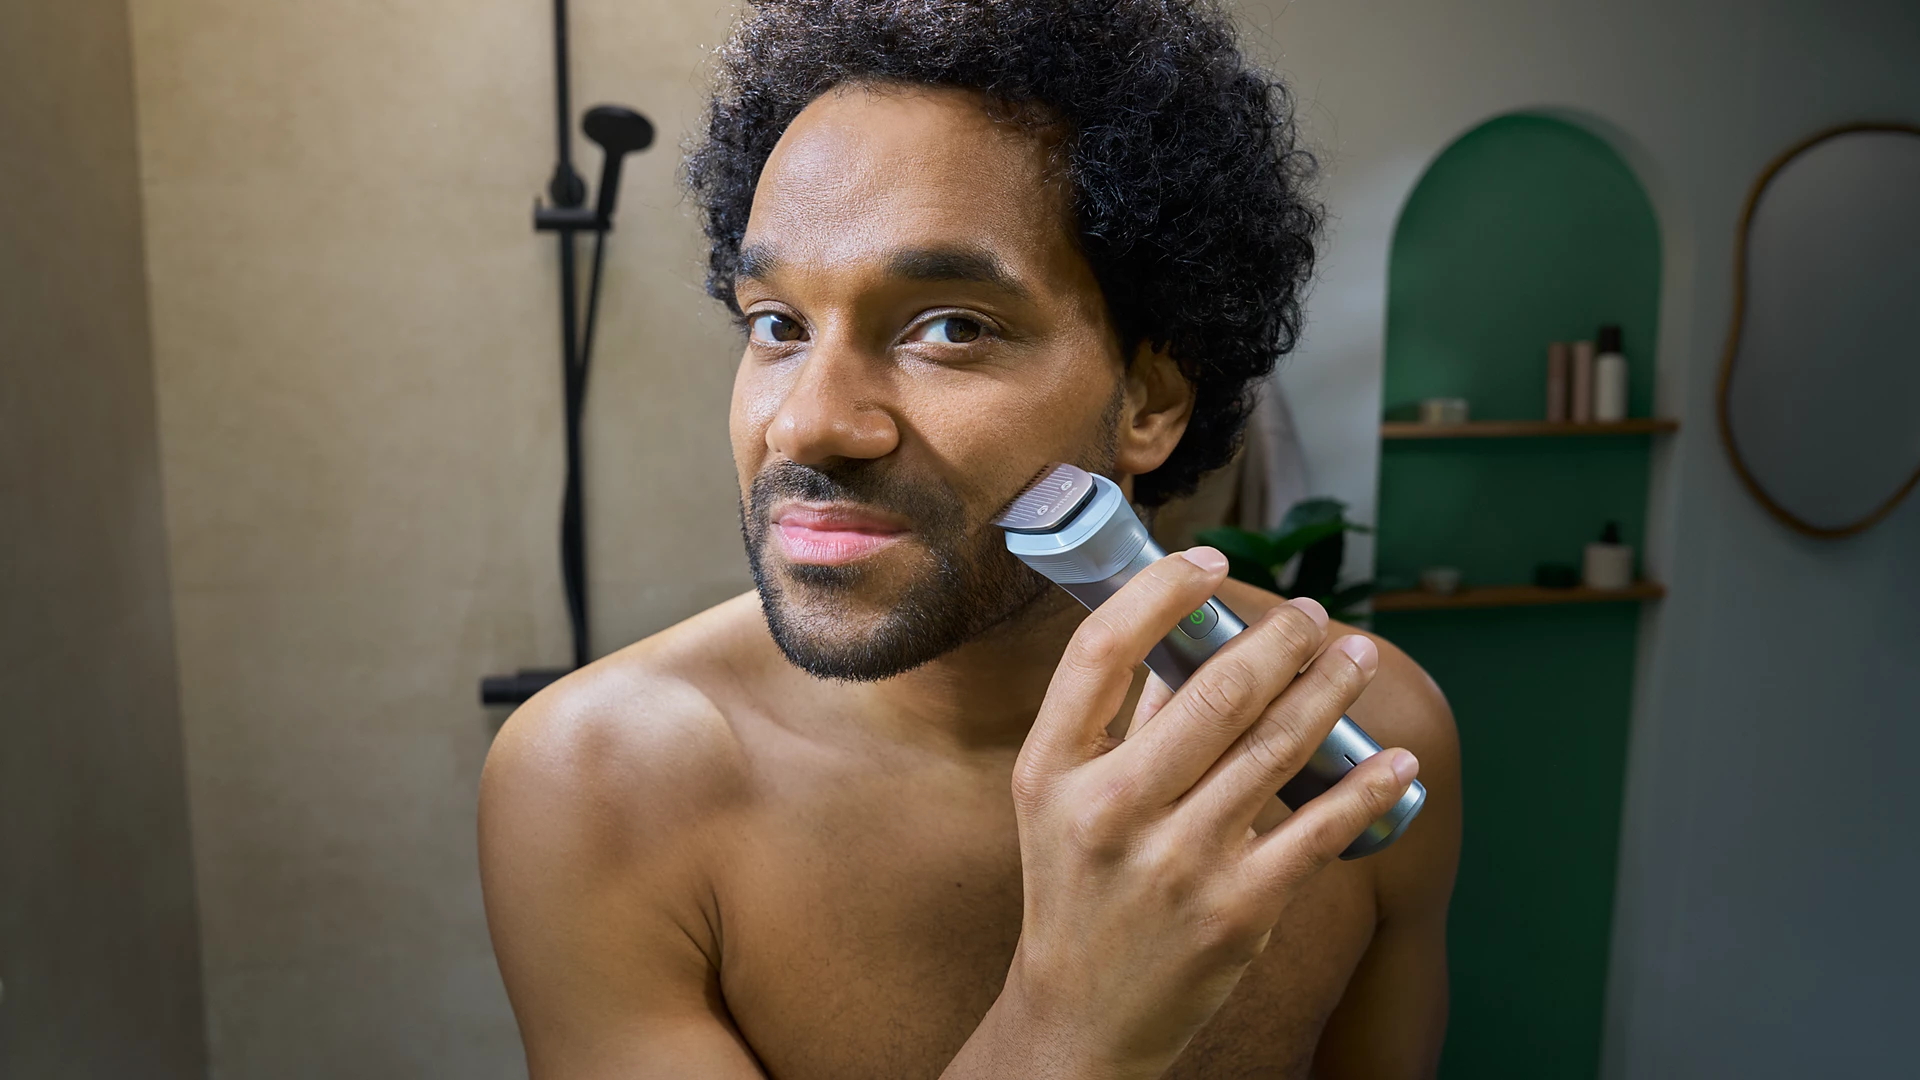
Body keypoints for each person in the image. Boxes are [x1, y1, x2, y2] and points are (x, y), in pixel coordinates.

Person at [479, 1, 1461, 1076]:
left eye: (951, 328)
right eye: (777, 325)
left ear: (1151, 400)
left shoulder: (1361, 741)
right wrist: (1071, 1023)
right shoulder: (599, 783)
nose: (806, 423)